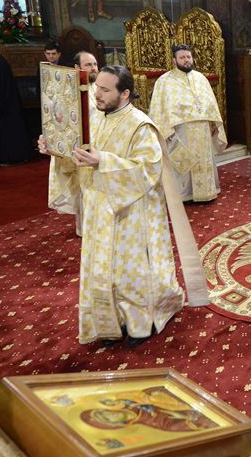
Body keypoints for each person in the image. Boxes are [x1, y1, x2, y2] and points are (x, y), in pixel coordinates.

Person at [41, 66, 185, 345]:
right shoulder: (94, 120)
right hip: (98, 209)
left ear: (125, 93)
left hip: (131, 213)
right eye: (97, 87)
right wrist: (56, 151)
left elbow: (148, 169)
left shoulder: (140, 125)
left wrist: (103, 161)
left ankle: (140, 323)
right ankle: (111, 321)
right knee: (102, 270)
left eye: (105, 90)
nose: (97, 94)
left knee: (129, 272)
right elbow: (79, 158)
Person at [147, 44, 226, 203]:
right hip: (180, 129)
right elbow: (158, 107)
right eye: (182, 57)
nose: (186, 60)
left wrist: (212, 123)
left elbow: (210, 102)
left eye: (188, 57)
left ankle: (208, 191)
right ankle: (186, 195)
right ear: (174, 60)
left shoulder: (201, 78)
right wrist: (165, 130)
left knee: (204, 160)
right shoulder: (164, 81)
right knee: (183, 161)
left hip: (202, 127)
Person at [48, 51, 101, 236]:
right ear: (77, 68)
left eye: (95, 64)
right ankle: (86, 229)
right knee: (83, 188)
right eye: (88, 65)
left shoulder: (100, 88)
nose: (94, 68)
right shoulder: (68, 91)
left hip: (100, 146)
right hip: (79, 147)